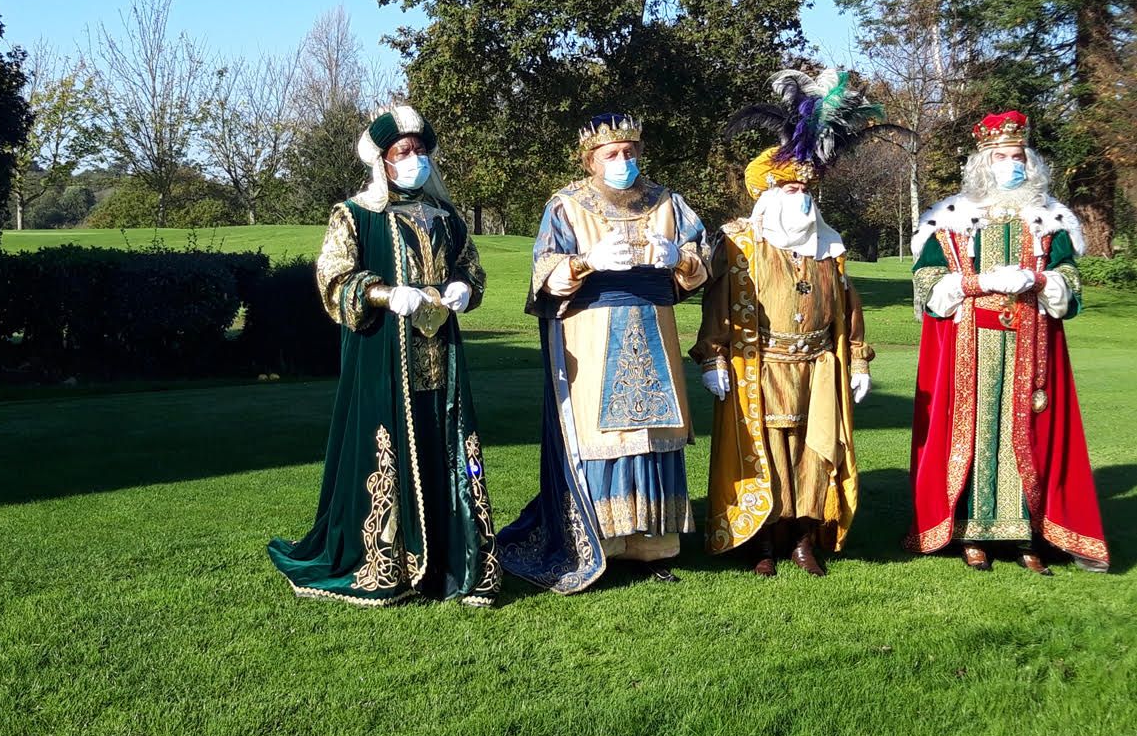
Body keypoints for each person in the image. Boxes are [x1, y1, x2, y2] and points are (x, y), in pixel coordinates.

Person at [267, 105, 500, 605]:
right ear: (383, 160)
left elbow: (471, 271)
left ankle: (451, 557)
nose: (414, 159)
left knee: (446, 442)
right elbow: (333, 279)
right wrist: (382, 294)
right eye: (403, 152)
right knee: (388, 443)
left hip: (441, 354)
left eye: (420, 150)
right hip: (383, 356)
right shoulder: (354, 214)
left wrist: (464, 288)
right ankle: (387, 559)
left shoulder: (447, 217)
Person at [497, 114, 708, 593]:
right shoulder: (567, 205)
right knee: (602, 433)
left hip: (654, 324)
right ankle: (602, 542)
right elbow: (543, 269)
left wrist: (680, 258)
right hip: (592, 328)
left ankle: (654, 544)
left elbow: (702, 261)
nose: (623, 161)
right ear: (590, 159)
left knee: (654, 430)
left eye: (630, 151)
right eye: (611, 154)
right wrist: (586, 262)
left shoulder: (667, 202)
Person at [691, 67, 881, 576]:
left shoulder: (829, 246)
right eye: (788, 188)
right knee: (767, 454)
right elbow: (718, 303)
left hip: (817, 367)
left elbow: (847, 308)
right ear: (767, 192)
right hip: (761, 367)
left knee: (814, 453)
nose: (799, 197)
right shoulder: (739, 242)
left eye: (806, 190)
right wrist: (712, 357)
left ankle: (804, 540)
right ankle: (764, 545)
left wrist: (858, 360)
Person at [907, 110, 1109, 573]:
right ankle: (971, 534)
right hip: (968, 348)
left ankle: (1027, 535)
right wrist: (974, 283)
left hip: (1029, 345)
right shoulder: (952, 218)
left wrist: (1037, 279)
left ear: (1030, 162)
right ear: (983, 161)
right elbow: (928, 286)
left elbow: (1070, 287)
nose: (1009, 165)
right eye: (1000, 156)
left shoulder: (1048, 219)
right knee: (974, 432)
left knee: (1027, 431)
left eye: (1017, 156)